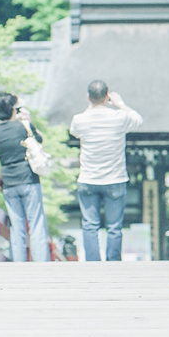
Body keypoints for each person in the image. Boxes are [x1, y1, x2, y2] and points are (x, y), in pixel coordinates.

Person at [69, 80, 143, 261]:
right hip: (115, 179)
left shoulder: (79, 119)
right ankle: (113, 263)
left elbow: (73, 132)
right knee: (114, 227)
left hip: (88, 179)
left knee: (90, 226)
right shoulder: (119, 117)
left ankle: (93, 264)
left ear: (88, 97)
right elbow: (138, 120)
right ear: (107, 95)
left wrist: (90, 106)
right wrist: (120, 104)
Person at [0, 92, 49, 262]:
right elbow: (38, 140)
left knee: (16, 227)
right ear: (13, 110)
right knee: (35, 224)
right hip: (28, 178)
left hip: (8, 181)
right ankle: (41, 264)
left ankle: (18, 264)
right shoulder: (22, 127)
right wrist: (28, 121)